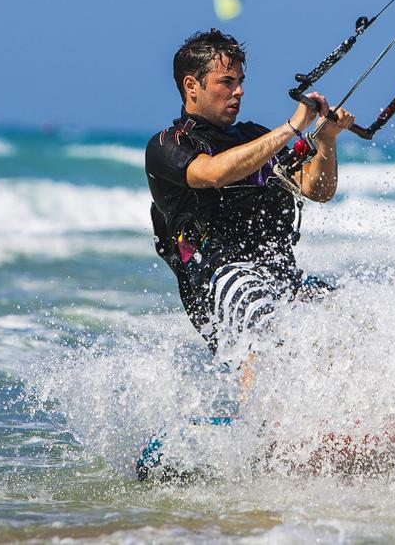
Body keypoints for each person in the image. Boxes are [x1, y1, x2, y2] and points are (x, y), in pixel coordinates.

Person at [146, 29, 355, 358]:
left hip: (279, 272)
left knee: (351, 322)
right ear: (191, 86)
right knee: (260, 315)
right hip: (216, 278)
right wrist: (292, 128)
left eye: (240, 81)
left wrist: (326, 140)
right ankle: (259, 411)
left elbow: (317, 189)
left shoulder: (254, 137)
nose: (239, 91)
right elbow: (214, 172)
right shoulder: (168, 145)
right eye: (227, 82)